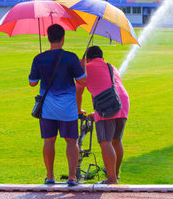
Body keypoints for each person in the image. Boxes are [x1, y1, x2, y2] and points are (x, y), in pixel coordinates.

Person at [29, 24, 86, 186]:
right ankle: (72, 177)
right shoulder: (71, 57)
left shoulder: (39, 58)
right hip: (68, 107)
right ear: (63, 38)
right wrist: (83, 67)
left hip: (47, 107)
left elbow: (32, 83)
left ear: (48, 38)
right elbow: (81, 80)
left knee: (49, 140)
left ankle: (50, 176)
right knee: (71, 141)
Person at [76, 46, 129, 184]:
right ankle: (115, 174)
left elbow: (78, 92)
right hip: (121, 102)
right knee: (116, 140)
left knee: (105, 142)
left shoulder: (87, 68)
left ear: (87, 59)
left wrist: (79, 110)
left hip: (107, 104)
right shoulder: (111, 67)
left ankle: (111, 179)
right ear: (102, 58)